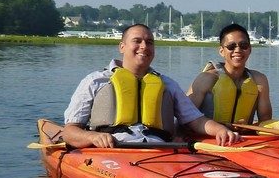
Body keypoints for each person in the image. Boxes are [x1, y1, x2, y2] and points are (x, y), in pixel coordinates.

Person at [63, 24, 239, 148]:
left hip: (159, 149)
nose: (144, 46)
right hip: (114, 150)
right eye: (137, 41)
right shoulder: (95, 81)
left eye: (149, 42)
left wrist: (220, 130)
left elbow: (197, 121)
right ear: (122, 47)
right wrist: (92, 137)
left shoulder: (167, 84)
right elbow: (69, 132)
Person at [187, 23, 273, 125]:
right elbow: (185, 116)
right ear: (222, 51)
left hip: (244, 138)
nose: (238, 50)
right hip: (209, 137)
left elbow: (265, 120)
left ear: (250, 49)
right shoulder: (206, 79)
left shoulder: (259, 80)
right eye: (231, 46)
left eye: (243, 46)